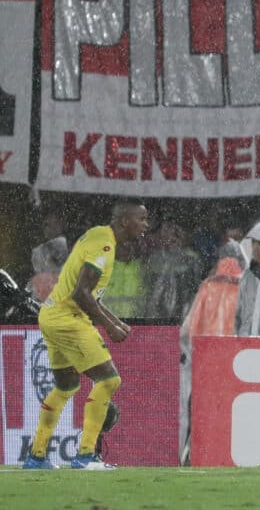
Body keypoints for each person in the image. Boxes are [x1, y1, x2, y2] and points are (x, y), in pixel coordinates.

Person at [22, 199, 149, 470]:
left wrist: (116, 321)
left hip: (51, 315)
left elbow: (89, 294)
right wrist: (110, 327)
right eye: (141, 219)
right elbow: (81, 294)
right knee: (109, 380)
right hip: (68, 319)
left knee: (66, 386)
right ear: (125, 221)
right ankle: (85, 456)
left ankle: (36, 456)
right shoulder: (104, 246)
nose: (145, 225)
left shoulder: (99, 235)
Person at [179, 240, 247, 465]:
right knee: (229, 413)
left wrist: (190, 356)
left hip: (205, 362)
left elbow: (188, 328)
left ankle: (192, 454)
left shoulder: (207, 286)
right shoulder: (244, 287)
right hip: (234, 362)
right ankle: (225, 454)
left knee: (200, 413)